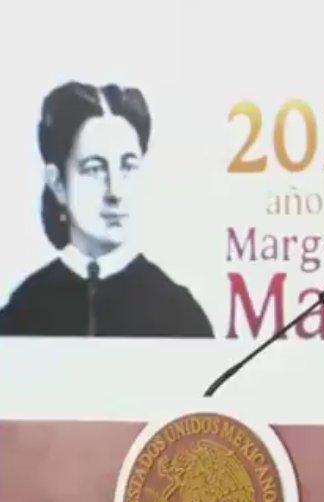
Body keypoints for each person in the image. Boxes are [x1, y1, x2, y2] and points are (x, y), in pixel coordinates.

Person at [0, 81, 213, 337]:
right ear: (57, 183)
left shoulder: (180, 314)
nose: (115, 191)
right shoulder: (23, 311)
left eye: (128, 166)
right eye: (95, 169)